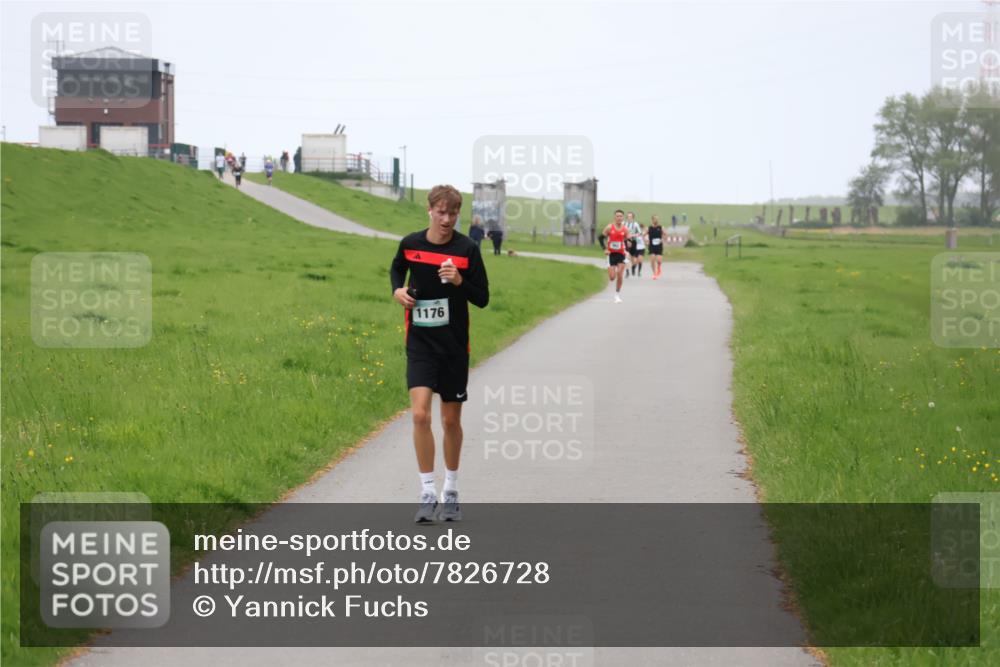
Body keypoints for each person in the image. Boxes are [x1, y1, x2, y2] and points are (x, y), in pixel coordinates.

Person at [390, 185, 490, 523]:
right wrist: (398, 291)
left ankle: (451, 490)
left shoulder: (467, 249)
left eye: (452, 214)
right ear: (429, 210)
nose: (446, 219)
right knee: (420, 415)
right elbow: (396, 271)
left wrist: (460, 280)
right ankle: (427, 492)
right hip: (420, 345)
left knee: (450, 421)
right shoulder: (411, 244)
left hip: (453, 348)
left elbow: (483, 297)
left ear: (458, 214)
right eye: (440, 212)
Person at [602, 209, 631, 303]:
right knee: (612, 277)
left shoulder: (625, 229)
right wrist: (605, 249)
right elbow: (601, 237)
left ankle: (617, 295)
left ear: (623, 218)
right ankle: (611, 269)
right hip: (611, 254)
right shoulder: (609, 227)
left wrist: (629, 245)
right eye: (617, 216)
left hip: (621, 254)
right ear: (614, 217)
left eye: (621, 216)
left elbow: (628, 240)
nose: (619, 218)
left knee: (620, 274)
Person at [647, 215, 665, 279]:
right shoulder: (649, 228)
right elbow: (644, 234)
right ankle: (654, 273)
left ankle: (659, 267)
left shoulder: (661, 227)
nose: (656, 220)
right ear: (652, 220)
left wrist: (662, 239)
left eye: (657, 219)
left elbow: (665, 234)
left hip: (659, 246)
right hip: (651, 246)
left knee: (659, 260)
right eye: (655, 219)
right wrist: (646, 240)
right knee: (652, 260)